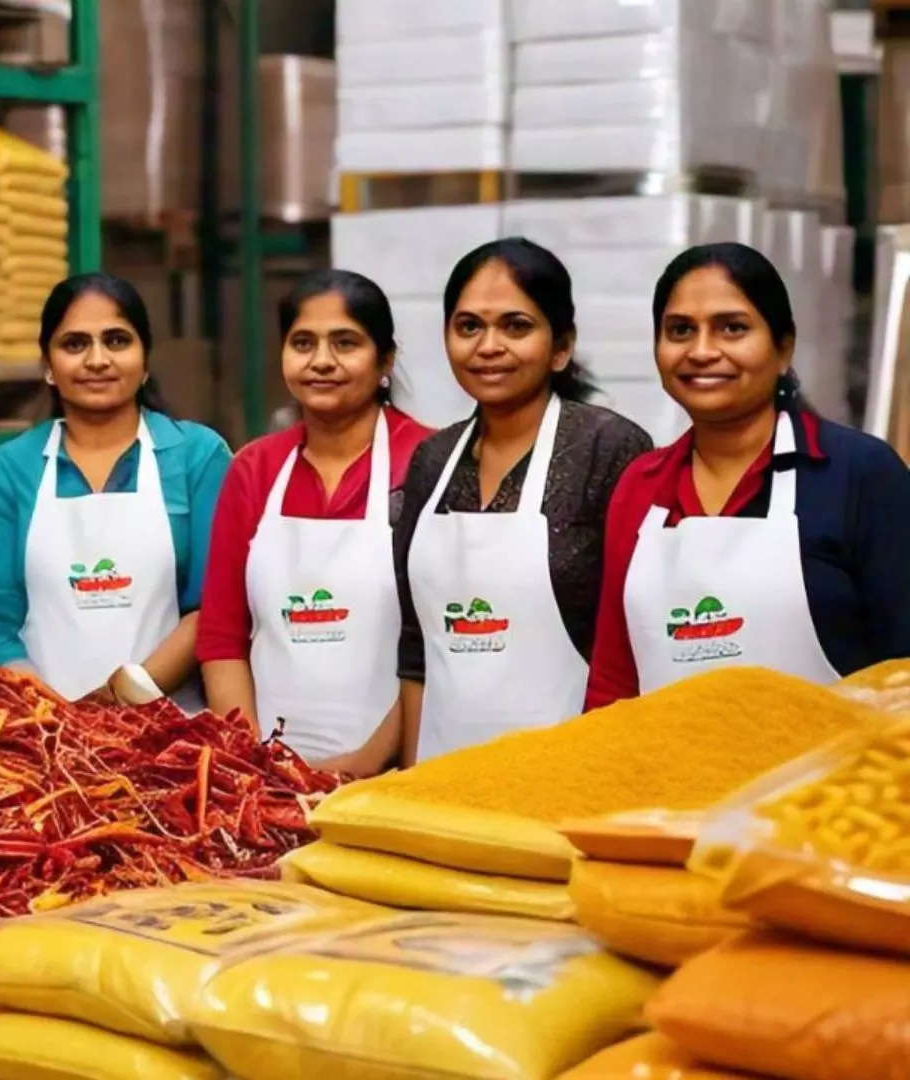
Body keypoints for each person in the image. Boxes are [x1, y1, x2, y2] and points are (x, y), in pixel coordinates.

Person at [586, 243, 910, 705]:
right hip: (668, 775)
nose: (701, 351)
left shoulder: (861, 474)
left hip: (834, 776)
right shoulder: (641, 485)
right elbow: (614, 682)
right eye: (680, 330)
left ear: (784, 348)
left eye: (732, 329)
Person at [396, 238, 652, 763]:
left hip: (574, 771)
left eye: (516, 326)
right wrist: (406, 781)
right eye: (469, 327)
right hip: (442, 773)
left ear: (561, 346)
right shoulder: (432, 460)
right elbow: (416, 648)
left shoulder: (610, 448)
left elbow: (635, 638)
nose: (489, 346)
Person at [198, 270, 432, 773]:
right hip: (267, 779)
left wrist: (363, 763)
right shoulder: (253, 469)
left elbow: (438, 650)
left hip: (395, 770)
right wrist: (253, 763)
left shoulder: (430, 461)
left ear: (385, 359)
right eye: (303, 343)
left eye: (345, 343)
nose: (321, 361)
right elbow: (222, 636)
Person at [0, 273, 231, 704]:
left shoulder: (198, 457)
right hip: (43, 735)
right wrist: (54, 718)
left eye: (117, 341)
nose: (97, 359)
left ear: (145, 361)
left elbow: (214, 606)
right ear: (48, 366)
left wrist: (123, 695)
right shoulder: (9, 469)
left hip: (175, 737)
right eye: (75, 344)